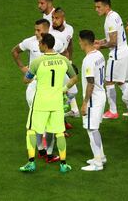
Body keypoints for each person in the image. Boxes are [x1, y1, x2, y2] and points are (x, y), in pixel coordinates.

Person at [19, 33, 78, 173]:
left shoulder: (37, 62)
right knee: (59, 132)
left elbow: (26, 80)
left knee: (32, 130)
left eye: (40, 43)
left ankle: (31, 162)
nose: (38, 45)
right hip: (56, 102)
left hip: (40, 102)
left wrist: (30, 75)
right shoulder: (63, 60)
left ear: (45, 45)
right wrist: (63, 90)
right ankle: (63, 164)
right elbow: (74, 78)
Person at [11, 19, 63, 163]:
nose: (36, 33)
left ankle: (44, 150)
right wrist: (22, 68)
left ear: (47, 30)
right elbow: (14, 51)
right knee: (39, 121)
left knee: (46, 120)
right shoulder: (30, 42)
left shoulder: (56, 43)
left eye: (39, 30)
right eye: (35, 30)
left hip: (49, 88)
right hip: (34, 87)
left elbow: (63, 59)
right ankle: (43, 150)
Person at [94, 0, 128, 119]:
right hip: (124, 52)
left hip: (117, 54)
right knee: (121, 81)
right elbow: (113, 37)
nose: (96, 9)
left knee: (109, 81)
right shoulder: (115, 15)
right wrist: (101, 41)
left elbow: (113, 42)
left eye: (99, 7)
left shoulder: (110, 19)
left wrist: (100, 47)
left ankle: (113, 111)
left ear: (107, 6)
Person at [79, 30, 107, 171]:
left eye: (79, 41)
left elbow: (90, 82)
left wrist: (85, 103)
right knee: (94, 128)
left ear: (84, 42)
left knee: (92, 129)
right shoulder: (99, 54)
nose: (79, 43)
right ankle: (100, 156)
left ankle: (98, 164)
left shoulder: (88, 60)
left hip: (93, 99)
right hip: (101, 94)